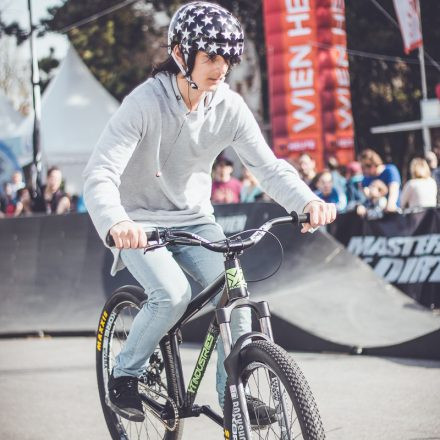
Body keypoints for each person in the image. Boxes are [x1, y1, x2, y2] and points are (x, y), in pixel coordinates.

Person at [83, 1, 336, 424]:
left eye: (228, 59)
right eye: (211, 58)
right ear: (181, 54)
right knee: (172, 294)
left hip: (195, 221)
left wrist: (306, 201)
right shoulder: (144, 103)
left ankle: (231, 394)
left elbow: (268, 167)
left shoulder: (228, 106)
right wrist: (117, 222)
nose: (221, 69)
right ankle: (125, 373)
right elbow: (100, 173)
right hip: (139, 224)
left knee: (234, 295)